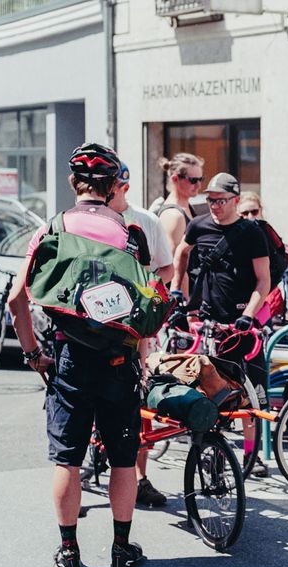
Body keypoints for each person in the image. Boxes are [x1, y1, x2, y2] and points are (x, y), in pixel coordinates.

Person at [7, 143, 147, 567]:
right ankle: (121, 549)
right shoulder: (129, 235)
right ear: (111, 187)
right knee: (124, 458)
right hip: (118, 362)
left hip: (68, 358)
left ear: (74, 183)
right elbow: (144, 311)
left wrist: (34, 354)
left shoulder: (50, 230)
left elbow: (16, 301)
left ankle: (69, 551)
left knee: (68, 457)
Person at [171, 172, 272, 477]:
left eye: (221, 200)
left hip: (240, 323)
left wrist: (249, 315)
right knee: (204, 388)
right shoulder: (198, 225)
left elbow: (263, 279)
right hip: (206, 320)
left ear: (236, 200)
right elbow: (181, 253)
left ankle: (252, 458)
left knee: (248, 391)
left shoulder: (251, 232)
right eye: (211, 200)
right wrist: (178, 288)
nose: (214, 205)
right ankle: (208, 448)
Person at [109, 160, 174, 507]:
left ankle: (139, 477)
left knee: (136, 397)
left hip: (135, 326)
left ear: (124, 187)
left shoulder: (144, 221)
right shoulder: (91, 220)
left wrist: (147, 293)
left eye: (112, 186)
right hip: (97, 325)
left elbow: (166, 266)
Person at [152, 153, 205, 254]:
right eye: (193, 180)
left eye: (201, 179)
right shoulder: (173, 215)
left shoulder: (186, 206)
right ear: (175, 179)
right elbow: (171, 263)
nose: (199, 185)